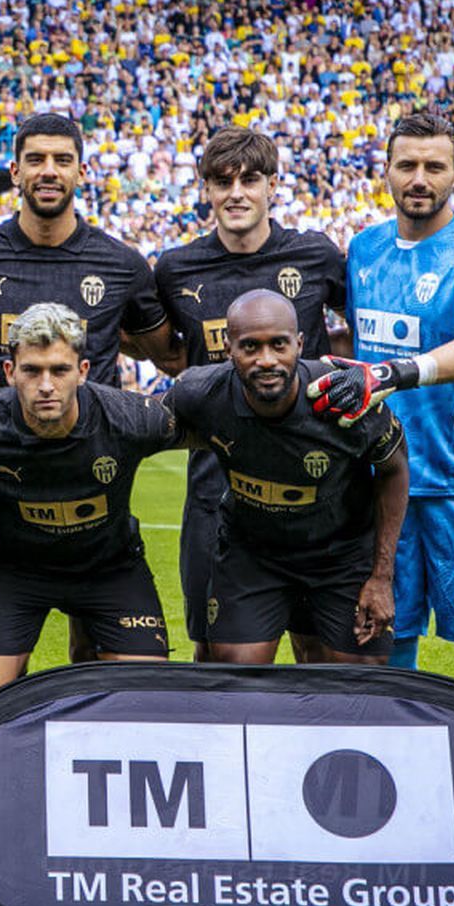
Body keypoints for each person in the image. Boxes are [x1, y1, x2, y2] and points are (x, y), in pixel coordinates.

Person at [308, 111, 454, 729]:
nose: (419, 178)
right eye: (406, 164)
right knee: (390, 651)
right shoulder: (364, 249)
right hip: (384, 487)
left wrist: (386, 375)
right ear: (385, 171)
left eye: (434, 166)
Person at [0, 113, 174, 663]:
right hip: (2, 477)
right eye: (36, 159)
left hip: (95, 475)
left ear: (82, 171)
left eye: (62, 160)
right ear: (15, 171)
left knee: (94, 653)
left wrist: (107, 347)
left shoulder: (120, 263)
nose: (48, 171)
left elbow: (166, 352)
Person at [151, 125, 347, 661]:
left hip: (315, 487)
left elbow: (357, 333)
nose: (236, 192)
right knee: (217, 656)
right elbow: (160, 346)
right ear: (206, 190)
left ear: (272, 186)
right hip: (216, 487)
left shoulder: (315, 256)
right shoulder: (175, 268)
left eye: (250, 179)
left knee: (320, 655)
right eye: (222, 181)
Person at [0, 302, 176, 707]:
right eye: (32, 370)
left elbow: (213, 427)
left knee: (146, 698)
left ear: (83, 372)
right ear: (9, 373)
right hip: (15, 572)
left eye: (59, 370)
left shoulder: (131, 418)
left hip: (109, 570)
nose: (46, 385)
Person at [167, 290, 407, 665]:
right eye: (250, 347)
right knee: (234, 669)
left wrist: (381, 577)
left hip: (340, 554)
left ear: (299, 343)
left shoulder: (343, 394)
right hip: (253, 553)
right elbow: (133, 431)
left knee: (361, 676)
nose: (266, 360)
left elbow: (395, 471)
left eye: (279, 345)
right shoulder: (199, 393)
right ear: (228, 349)